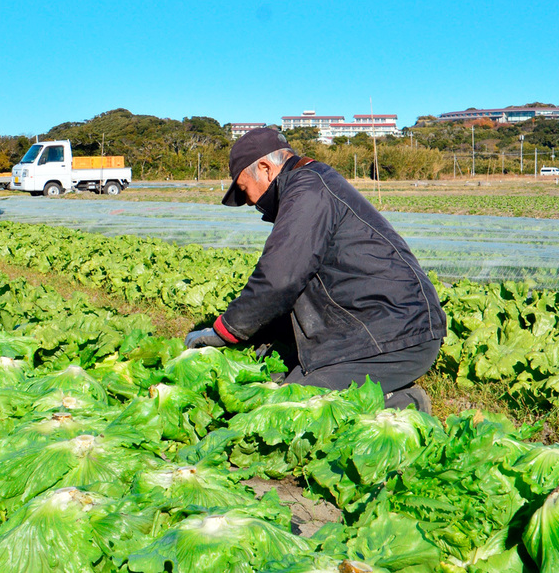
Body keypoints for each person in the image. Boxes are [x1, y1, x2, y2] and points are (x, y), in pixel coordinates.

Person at [185, 128, 446, 411]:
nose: (248, 201)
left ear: (265, 168)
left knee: (291, 409)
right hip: (374, 326)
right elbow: (297, 284)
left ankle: (401, 403)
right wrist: (259, 335)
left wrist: (227, 330)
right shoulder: (309, 184)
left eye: (245, 189)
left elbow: (280, 277)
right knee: (274, 380)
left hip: (395, 337)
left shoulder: (307, 190)